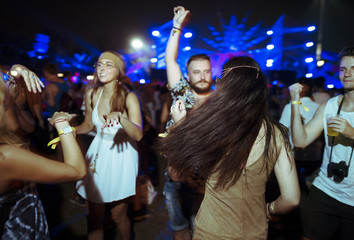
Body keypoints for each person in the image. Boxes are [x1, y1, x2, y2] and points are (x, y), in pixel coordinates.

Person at [161, 56, 300, 239]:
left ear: (223, 87)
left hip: (210, 232)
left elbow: (177, 173)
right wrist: (270, 208)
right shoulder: (277, 134)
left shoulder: (210, 127)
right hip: (255, 232)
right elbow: (291, 199)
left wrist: (180, 126)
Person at [0, 64, 86, 239]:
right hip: (17, 230)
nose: (10, 80)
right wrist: (62, 124)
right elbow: (77, 170)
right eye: (5, 79)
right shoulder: (6, 156)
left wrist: (15, 70)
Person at [74, 51, 143, 240]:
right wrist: (68, 129)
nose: (102, 68)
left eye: (108, 64)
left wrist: (121, 117)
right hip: (98, 151)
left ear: (119, 70)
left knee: (117, 215)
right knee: (95, 216)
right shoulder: (91, 93)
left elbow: (137, 134)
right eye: (99, 64)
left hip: (122, 155)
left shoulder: (130, 97)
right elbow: (88, 125)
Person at [290, 46, 354, 240]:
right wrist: (295, 103)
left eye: (353, 68)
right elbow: (300, 141)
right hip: (325, 189)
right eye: (343, 69)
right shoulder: (330, 106)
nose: (347, 73)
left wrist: (352, 133)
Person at [162, 6, 214, 240]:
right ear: (188, 74)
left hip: (209, 176)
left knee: (203, 229)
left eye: (206, 71)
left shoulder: (220, 101)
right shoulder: (182, 93)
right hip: (178, 172)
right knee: (180, 229)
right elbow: (169, 59)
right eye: (197, 72)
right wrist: (177, 27)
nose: (202, 76)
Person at [279, 77, 322, 190]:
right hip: (315, 154)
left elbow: (282, 130)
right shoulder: (320, 108)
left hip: (296, 154)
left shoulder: (291, 107)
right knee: (311, 184)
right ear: (312, 90)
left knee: (295, 185)